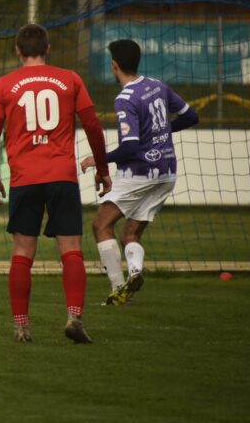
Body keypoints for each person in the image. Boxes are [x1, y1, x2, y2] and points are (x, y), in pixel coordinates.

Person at [0, 23, 112, 344]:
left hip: (25, 179)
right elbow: (94, 126)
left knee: (23, 251)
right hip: (62, 176)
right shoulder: (70, 79)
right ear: (48, 49)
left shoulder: (3, 85)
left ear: (17, 51)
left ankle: (21, 325)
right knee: (71, 250)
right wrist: (103, 168)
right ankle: (73, 316)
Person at [80, 39, 199, 306]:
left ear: (114, 65)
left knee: (101, 225)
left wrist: (98, 159)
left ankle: (118, 288)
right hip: (167, 173)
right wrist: (161, 132)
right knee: (130, 234)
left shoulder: (125, 98)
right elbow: (192, 116)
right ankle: (134, 273)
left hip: (140, 172)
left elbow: (131, 147)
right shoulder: (157, 85)